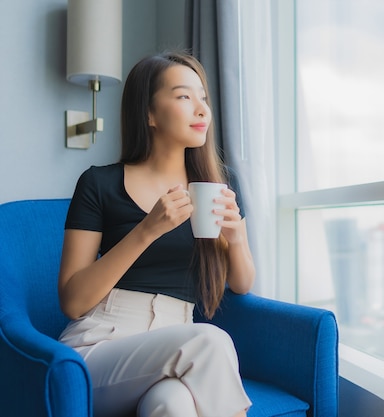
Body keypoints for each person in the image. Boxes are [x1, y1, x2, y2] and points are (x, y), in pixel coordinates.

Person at [57, 51, 254, 417]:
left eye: (203, 98)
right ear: (149, 113)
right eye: (183, 96)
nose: (201, 110)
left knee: (172, 405)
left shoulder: (212, 186)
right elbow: (72, 301)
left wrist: (237, 238)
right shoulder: (99, 183)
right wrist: (146, 230)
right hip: (101, 346)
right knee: (210, 340)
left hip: (176, 346)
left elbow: (241, 285)